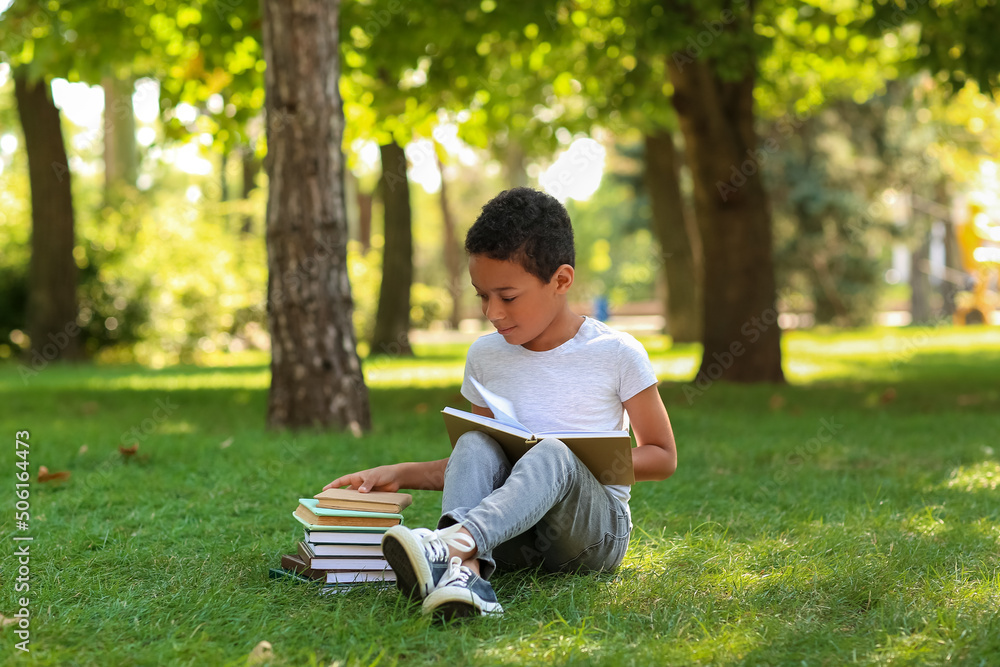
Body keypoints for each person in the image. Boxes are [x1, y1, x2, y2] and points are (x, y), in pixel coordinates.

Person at [324, 187, 677, 620]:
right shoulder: (486, 356)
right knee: (475, 441)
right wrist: (397, 473)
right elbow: (475, 466)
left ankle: (450, 547)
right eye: (481, 296)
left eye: (507, 297)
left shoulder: (616, 353)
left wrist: (571, 462)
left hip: (591, 538)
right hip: (508, 538)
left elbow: (662, 457)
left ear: (561, 280)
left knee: (552, 453)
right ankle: (467, 576)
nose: (492, 311)